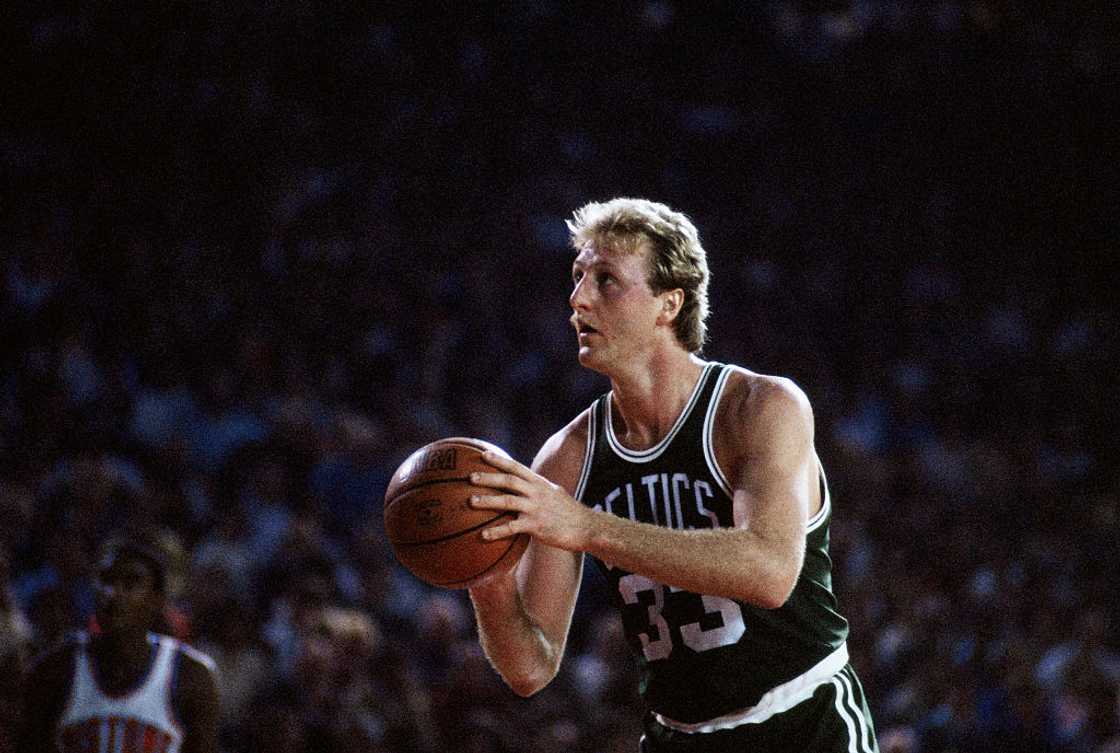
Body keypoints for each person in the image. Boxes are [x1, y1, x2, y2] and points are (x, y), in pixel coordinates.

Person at [468, 198, 878, 752]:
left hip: (804, 723)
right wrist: (486, 580)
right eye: (578, 276)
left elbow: (771, 571)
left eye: (607, 280)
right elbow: (531, 669)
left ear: (669, 304)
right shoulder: (568, 457)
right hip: (677, 737)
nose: (578, 298)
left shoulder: (759, 407)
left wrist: (588, 527)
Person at [17, 531, 219, 753]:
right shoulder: (54, 669)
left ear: (157, 599)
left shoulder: (191, 676)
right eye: (106, 580)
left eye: (130, 583)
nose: (113, 593)